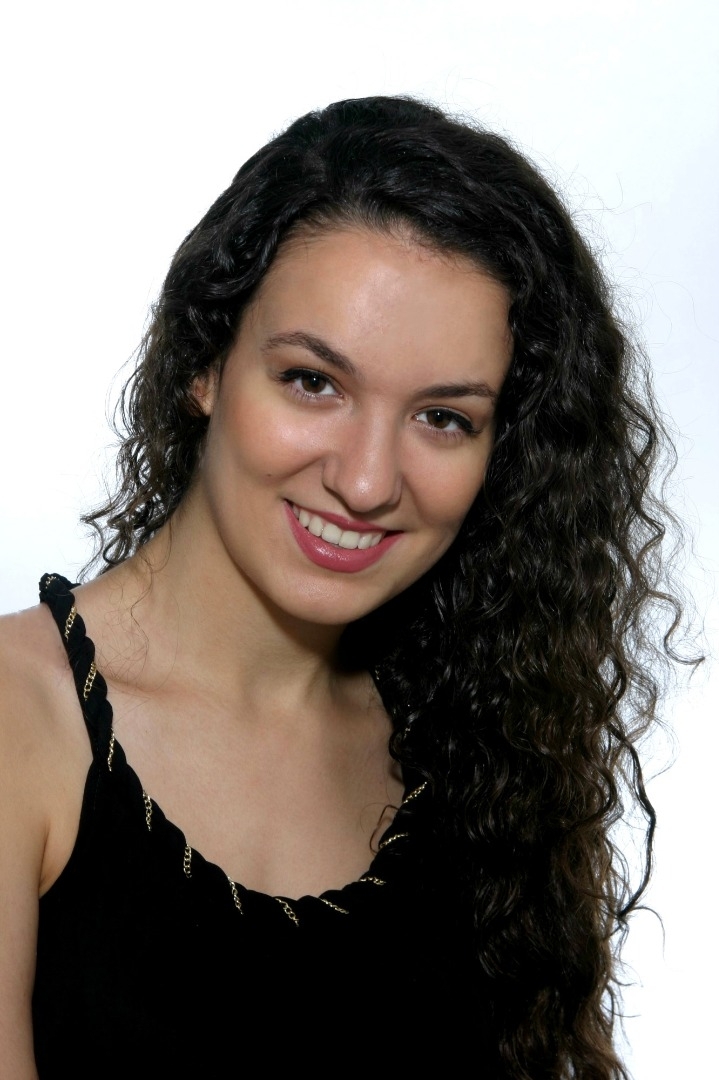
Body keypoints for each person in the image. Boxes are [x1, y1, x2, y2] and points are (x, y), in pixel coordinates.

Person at [0, 96, 690, 1078]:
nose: (366, 482)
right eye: (313, 382)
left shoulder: (482, 750)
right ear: (206, 361)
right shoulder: (16, 722)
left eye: (442, 418)